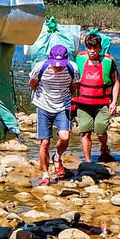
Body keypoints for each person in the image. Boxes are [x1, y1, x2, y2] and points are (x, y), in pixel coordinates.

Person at [29, 43, 78, 185]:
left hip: (63, 106)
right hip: (43, 106)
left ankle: (57, 157)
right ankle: (45, 175)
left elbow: (74, 86)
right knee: (45, 142)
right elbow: (32, 83)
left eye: (61, 64)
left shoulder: (72, 68)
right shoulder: (40, 67)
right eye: (55, 64)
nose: (58, 67)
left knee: (65, 137)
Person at [73, 33, 120, 163]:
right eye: (90, 47)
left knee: (100, 130)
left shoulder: (108, 61)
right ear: (86, 47)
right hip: (83, 103)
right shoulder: (79, 59)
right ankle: (88, 161)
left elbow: (116, 82)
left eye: (95, 48)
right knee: (85, 132)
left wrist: (114, 102)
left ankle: (104, 147)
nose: (92, 51)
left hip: (102, 103)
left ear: (100, 48)